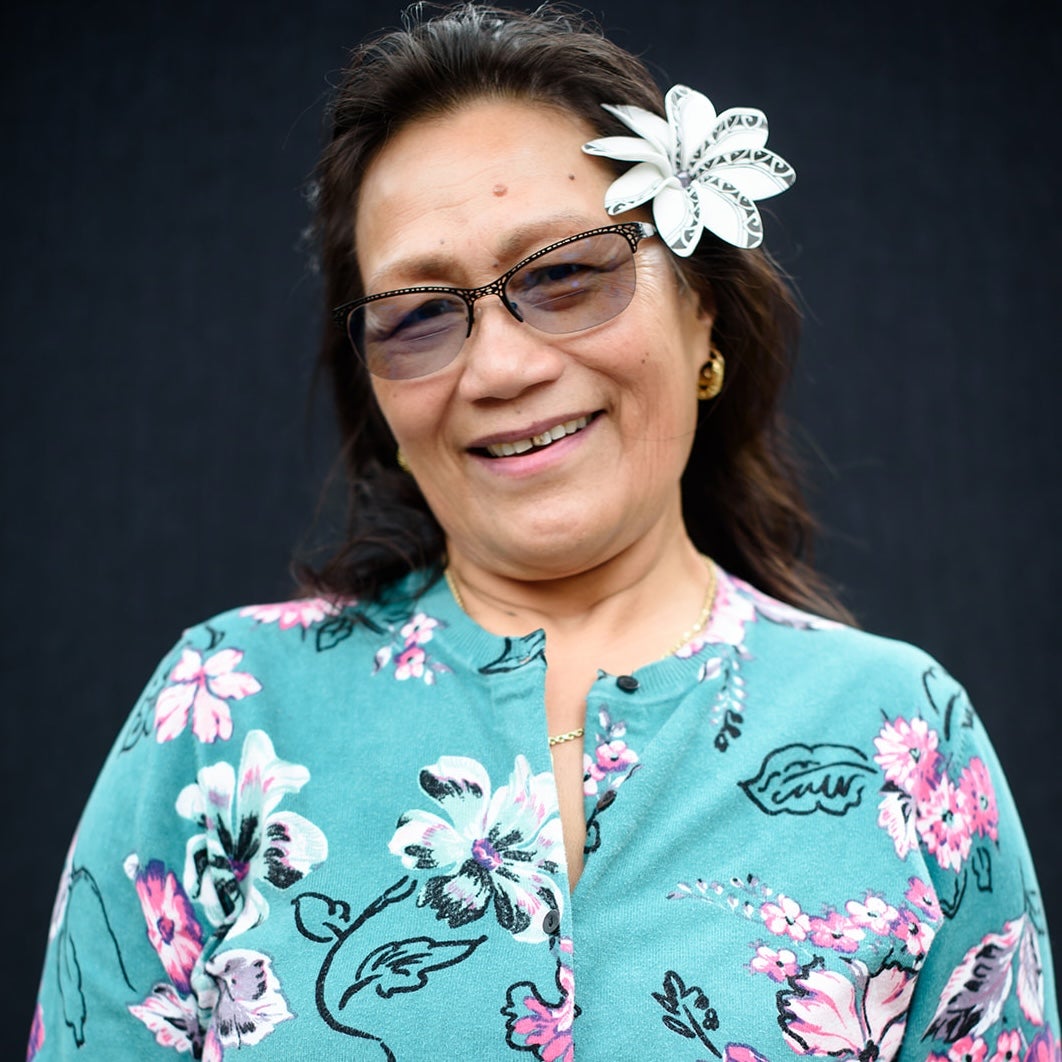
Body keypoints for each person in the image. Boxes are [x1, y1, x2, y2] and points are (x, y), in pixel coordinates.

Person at [28, 4, 1058, 1060]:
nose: (503, 368)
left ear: (703, 314)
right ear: (376, 394)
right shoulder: (220, 717)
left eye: (566, 274)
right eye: (420, 316)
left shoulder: (904, 735)